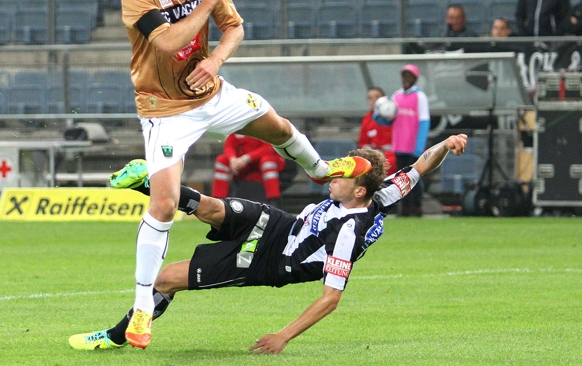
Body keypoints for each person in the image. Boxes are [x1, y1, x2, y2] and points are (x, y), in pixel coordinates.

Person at [115, 0, 371, 350]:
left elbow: (234, 28)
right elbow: (170, 42)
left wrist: (214, 61)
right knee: (163, 203)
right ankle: (142, 309)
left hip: (213, 93)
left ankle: (318, 168)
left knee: (279, 127)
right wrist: (209, 0)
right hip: (166, 109)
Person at [69, 133, 469, 353]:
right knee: (209, 208)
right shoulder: (379, 193)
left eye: (341, 175)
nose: (332, 176)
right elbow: (418, 167)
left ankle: (118, 334)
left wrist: (283, 336)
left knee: (165, 278)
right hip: (279, 224)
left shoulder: (350, 229)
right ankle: (146, 182)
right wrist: (446, 144)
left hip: (271, 262)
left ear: (359, 191)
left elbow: (331, 297)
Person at [388, 64, 430, 217]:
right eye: (404, 75)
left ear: (415, 78)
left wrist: (419, 146)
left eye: (409, 76)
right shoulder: (396, 96)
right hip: (399, 145)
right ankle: (404, 208)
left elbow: (424, 122)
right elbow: (390, 118)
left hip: (413, 146)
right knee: (401, 178)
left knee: (415, 178)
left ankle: (417, 207)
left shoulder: (420, 97)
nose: (406, 79)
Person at [212, 133, 286, 204]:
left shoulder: (264, 124)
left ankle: (274, 200)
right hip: (243, 163)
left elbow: (268, 148)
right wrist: (233, 159)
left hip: (264, 161)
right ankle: (218, 202)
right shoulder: (239, 127)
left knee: (267, 161)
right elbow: (229, 146)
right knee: (221, 161)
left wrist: (246, 158)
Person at [358, 87, 396, 176]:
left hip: (391, 155)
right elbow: (363, 143)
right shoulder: (367, 119)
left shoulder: (393, 117)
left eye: (377, 97)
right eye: (370, 98)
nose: (374, 100)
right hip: (373, 154)